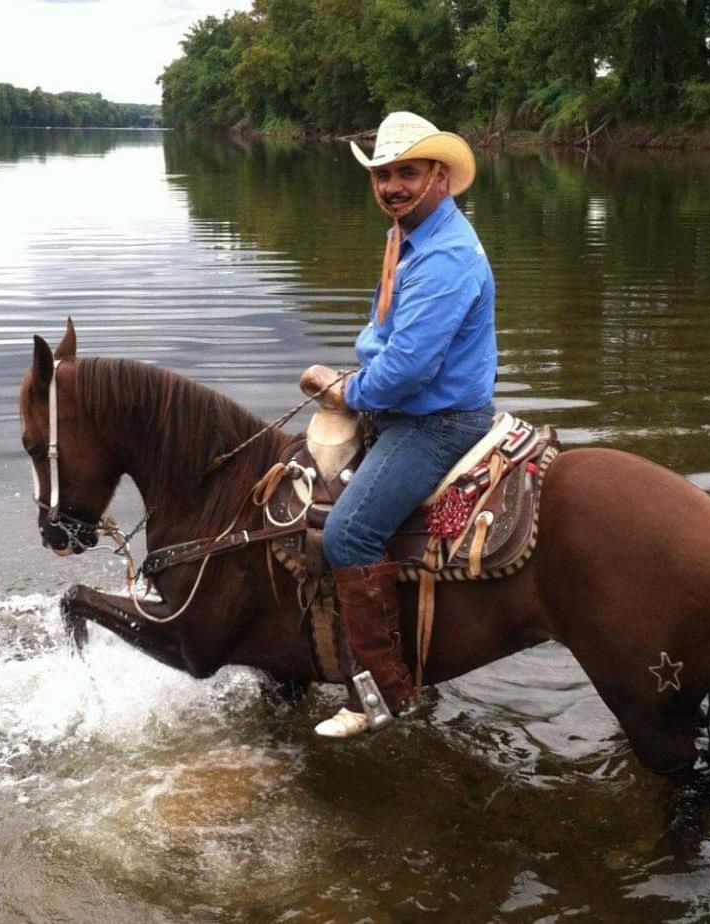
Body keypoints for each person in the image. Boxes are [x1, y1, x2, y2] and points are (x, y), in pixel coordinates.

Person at [300, 111, 497, 738]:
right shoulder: (409, 238)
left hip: (434, 423)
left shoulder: (444, 258)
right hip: (404, 405)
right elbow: (382, 337)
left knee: (347, 537)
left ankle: (381, 697)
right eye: (383, 175)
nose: (392, 187)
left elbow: (408, 368)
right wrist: (360, 375)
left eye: (406, 174)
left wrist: (344, 390)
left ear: (440, 176)